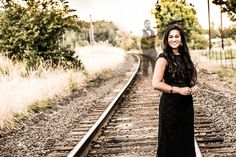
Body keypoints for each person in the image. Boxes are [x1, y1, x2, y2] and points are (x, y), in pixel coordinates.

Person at [152, 25, 198, 157]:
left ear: (181, 40)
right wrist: (178, 90)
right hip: (170, 106)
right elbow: (156, 84)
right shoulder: (163, 58)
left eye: (176, 36)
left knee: (185, 142)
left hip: (186, 106)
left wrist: (194, 86)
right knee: (170, 144)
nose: (173, 39)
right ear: (166, 40)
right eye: (170, 37)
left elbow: (189, 79)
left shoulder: (185, 57)